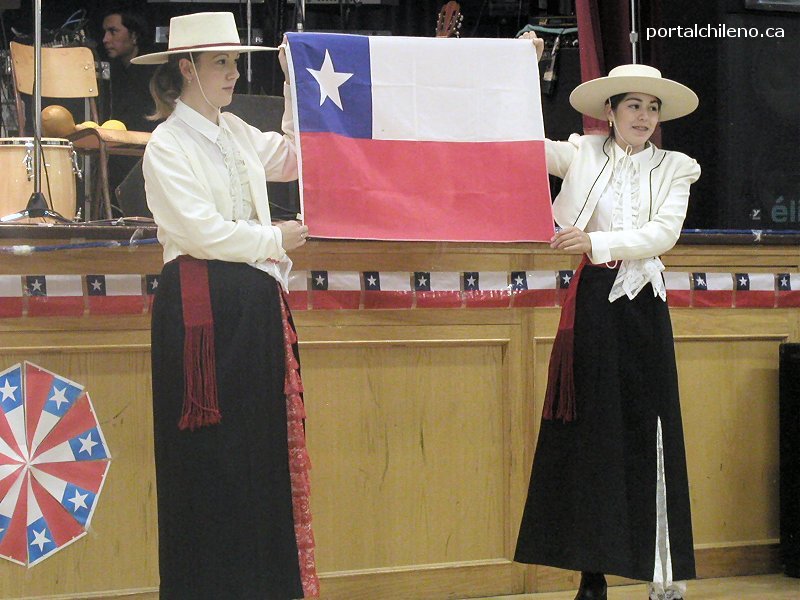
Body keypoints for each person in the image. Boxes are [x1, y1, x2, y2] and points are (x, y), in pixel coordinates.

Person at [131, 12, 318, 599]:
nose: (234, 72)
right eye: (222, 62)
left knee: (257, 453)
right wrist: (274, 237)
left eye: (235, 61)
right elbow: (201, 232)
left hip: (253, 308)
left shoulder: (235, 131)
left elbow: (298, 156)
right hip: (202, 312)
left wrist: (297, 80)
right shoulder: (167, 145)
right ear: (187, 68)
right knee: (209, 460)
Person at [514, 32, 701, 600]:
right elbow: (521, 141)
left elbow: (662, 235)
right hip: (594, 305)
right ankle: (590, 573)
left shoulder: (676, 167)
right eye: (633, 105)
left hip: (644, 311)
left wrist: (595, 242)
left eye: (652, 107)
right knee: (591, 434)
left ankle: (663, 573)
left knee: (653, 428)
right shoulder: (582, 152)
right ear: (611, 112)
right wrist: (525, 71)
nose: (643, 117)